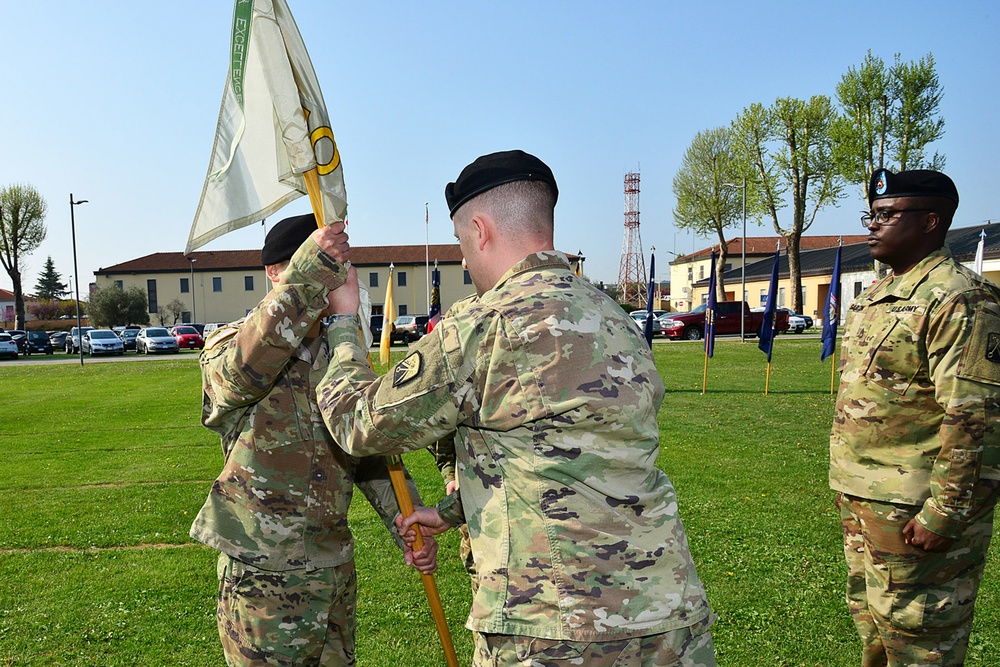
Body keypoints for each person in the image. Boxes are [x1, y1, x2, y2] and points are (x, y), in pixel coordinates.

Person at [317, 150, 716, 667]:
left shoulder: (484, 327)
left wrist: (344, 322)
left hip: (555, 628)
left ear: (480, 231)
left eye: (461, 243)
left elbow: (356, 422)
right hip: (669, 618)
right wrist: (449, 513)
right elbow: (564, 454)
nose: (462, 261)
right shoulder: (615, 319)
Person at [189, 213, 436, 667]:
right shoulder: (230, 344)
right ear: (273, 272)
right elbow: (243, 370)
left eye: (332, 268)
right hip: (266, 576)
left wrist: (409, 526)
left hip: (332, 569)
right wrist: (313, 272)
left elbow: (373, 456)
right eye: (310, 266)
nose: (325, 281)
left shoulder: (336, 356)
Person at [831, 169, 1000, 666]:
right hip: (868, 497)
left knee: (922, 640)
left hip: (917, 508)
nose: (872, 227)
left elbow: (978, 415)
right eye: (872, 215)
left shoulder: (960, 299)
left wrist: (946, 512)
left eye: (886, 216)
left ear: (930, 221)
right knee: (876, 631)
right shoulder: (877, 296)